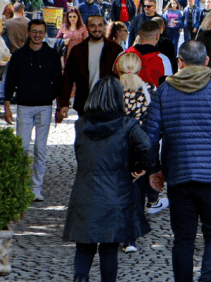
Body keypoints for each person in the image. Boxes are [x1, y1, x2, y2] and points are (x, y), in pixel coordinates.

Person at [144, 41, 211, 282]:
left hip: (180, 175)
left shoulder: (165, 91)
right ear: (206, 61)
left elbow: (149, 136)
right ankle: (208, 278)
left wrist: (155, 169)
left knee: (183, 239)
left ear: (180, 63)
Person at [62, 77, 152, 282]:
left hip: (85, 190)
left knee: (84, 247)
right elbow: (147, 146)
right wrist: (140, 167)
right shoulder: (127, 125)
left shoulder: (81, 125)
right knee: (109, 249)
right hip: (115, 192)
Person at [2, 18, 63, 202]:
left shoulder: (51, 55)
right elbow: (10, 81)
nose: (37, 35)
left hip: (45, 106)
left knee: (40, 149)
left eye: (40, 32)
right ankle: (21, 186)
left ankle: (36, 188)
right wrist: (6, 105)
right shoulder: (19, 55)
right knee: (21, 147)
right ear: (28, 32)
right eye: (34, 31)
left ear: (45, 34)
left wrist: (59, 106)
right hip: (24, 106)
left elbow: (58, 82)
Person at [114, 51, 166, 252]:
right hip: (140, 150)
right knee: (137, 194)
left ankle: (116, 231)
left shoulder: (112, 90)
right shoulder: (150, 90)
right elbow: (155, 125)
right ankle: (130, 238)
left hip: (116, 149)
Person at [62, 15, 122, 118]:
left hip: (108, 104)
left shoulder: (115, 49)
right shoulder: (78, 50)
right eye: (93, 26)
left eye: (100, 25)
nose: (97, 29)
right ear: (87, 27)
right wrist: (64, 103)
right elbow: (68, 77)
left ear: (104, 27)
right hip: (84, 104)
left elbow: (122, 78)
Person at [124, 20, 173, 87]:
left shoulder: (123, 55)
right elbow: (166, 87)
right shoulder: (163, 60)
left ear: (139, 35)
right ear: (157, 36)